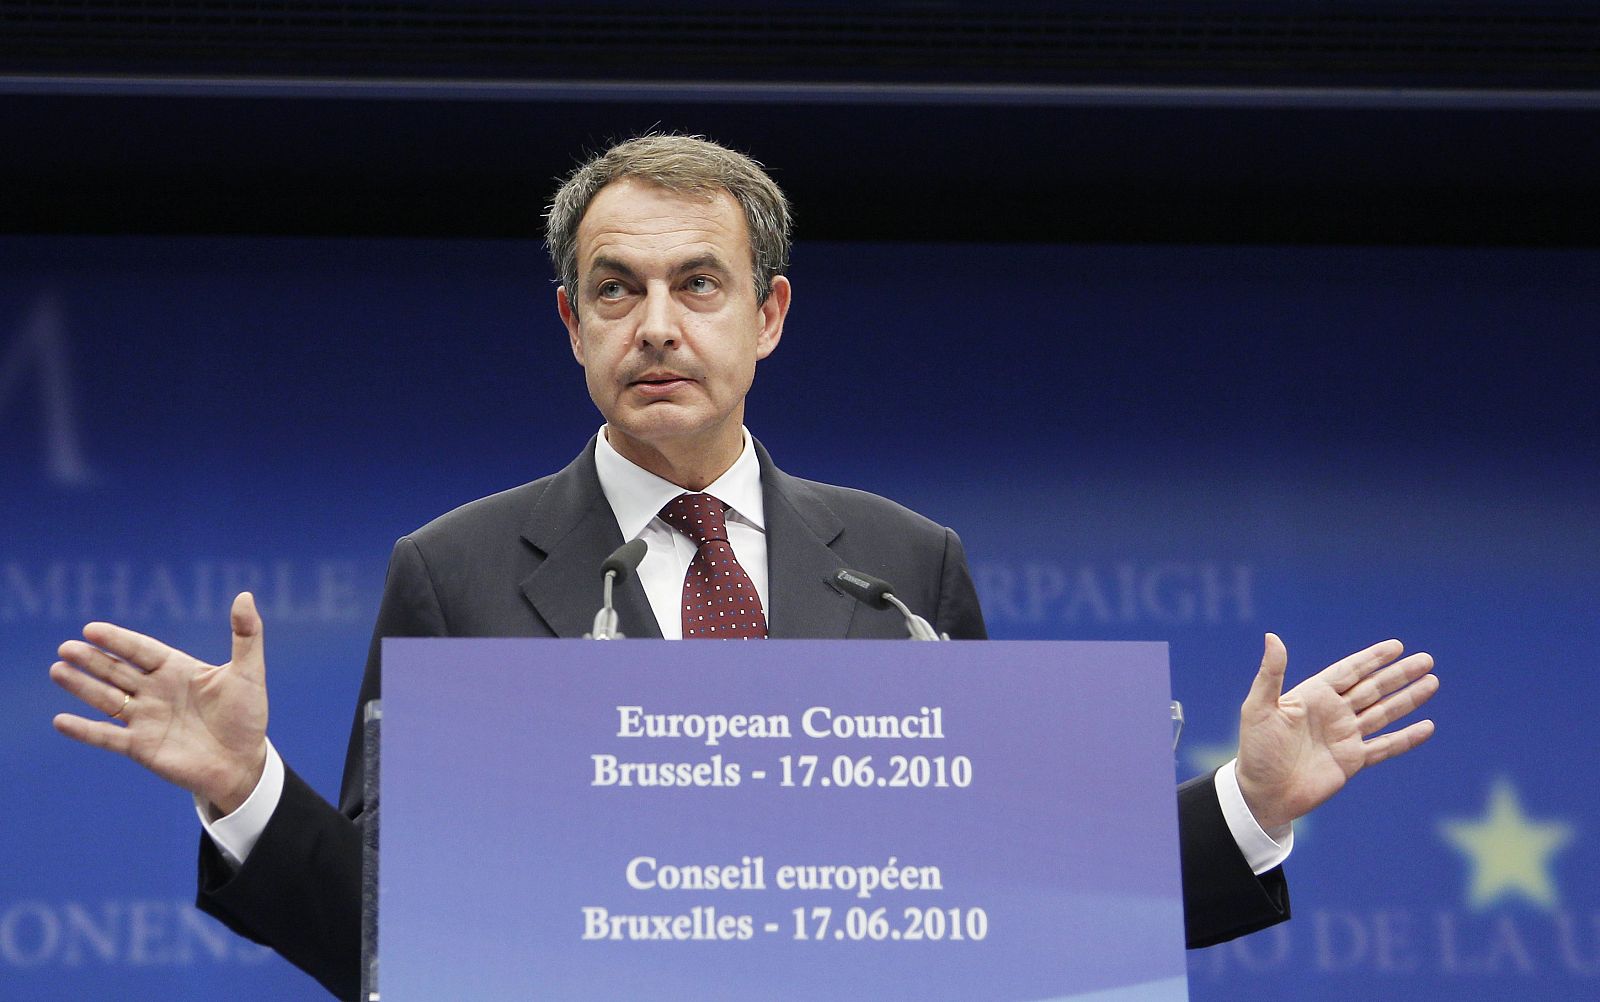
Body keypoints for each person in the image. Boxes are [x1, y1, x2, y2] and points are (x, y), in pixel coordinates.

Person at [48, 135, 1440, 1001]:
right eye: (616, 288)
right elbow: (387, 943)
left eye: (696, 284)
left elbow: (1014, 913)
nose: (656, 324)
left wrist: (1248, 805)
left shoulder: (907, 567)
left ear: (768, 313)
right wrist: (247, 788)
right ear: (570, 323)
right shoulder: (458, 573)